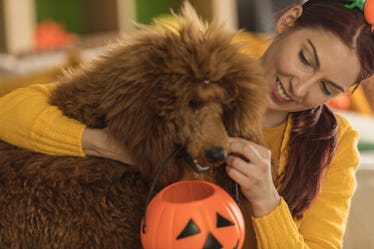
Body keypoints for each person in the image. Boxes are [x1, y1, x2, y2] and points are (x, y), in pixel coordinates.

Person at [0, 0, 373, 248]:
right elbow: (12, 111)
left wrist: (268, 201)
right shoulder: (199, 68)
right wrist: (102, 143)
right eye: (306, 58)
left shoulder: (333, 144)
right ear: (288, 22)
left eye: (326, 87)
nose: (300, 87)